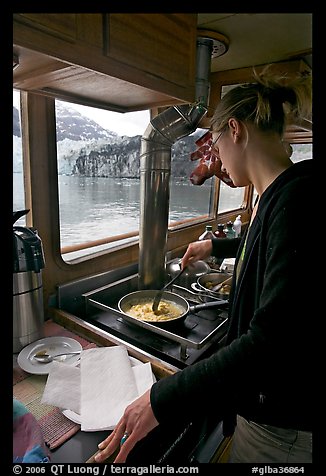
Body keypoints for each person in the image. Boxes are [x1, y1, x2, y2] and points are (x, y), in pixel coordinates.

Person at [95, 67, 315, 464]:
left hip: (283, 428)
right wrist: (215, 246)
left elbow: (270, 343)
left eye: (214, 143)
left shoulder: (298, 201)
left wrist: (163, 400)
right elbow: (262, 246)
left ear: (235, 130)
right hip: (271, 413)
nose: (216, 159)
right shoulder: (279, 194)